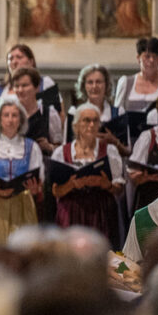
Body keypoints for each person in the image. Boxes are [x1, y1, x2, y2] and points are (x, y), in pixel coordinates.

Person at [0, 95, 44, 247]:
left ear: (21, 120)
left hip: (22, 205)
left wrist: (35, 189)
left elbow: (39, 182)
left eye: (14, 115)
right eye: (6, 115)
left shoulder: (32, 147)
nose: (10, 120)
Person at [50, 104, 125, 245]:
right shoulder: (61, 152)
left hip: (101, 211)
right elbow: (56, 191)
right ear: (76, 125)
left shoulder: (110, 151)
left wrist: (106, 185)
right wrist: (72, 184)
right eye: (86, 120)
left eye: (95, 120)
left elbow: (119, 188)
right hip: (71, 210)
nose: (91, 125)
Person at [0, 44, 62, 117]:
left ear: (31, 61)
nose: (14, 62)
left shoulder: (44, 83)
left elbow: (59, 115)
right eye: (10, 58)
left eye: (19, 57)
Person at [67, 64, 127, 149]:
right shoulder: (74, 112)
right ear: (84, 86)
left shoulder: (119, 113)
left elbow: (127, 151)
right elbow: (67, 147)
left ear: (106, 85)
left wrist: (114, 141)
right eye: (90, 82)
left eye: (98, 82)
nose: (94, 86)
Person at [11, 67, 62, 155]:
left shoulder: (49, 113)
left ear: (37, 88)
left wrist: (49, 147)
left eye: (25, 85)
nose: (20, 90)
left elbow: (60, 147)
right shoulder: (8, 113)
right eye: (16, 86)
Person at [113, 36, 158, 113]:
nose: (151, 60)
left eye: (155, 57)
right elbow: (117, 112)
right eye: (147, 56)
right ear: (138, 57)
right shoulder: (126, 82)